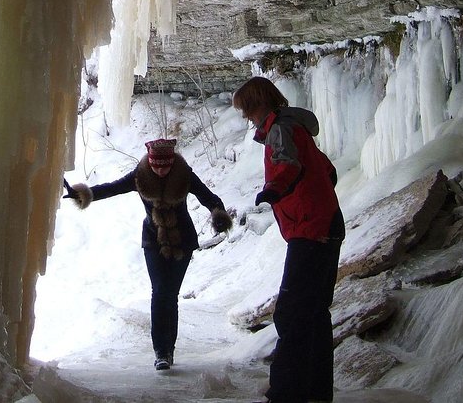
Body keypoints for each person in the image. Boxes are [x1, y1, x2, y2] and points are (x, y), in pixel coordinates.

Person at [63, 138, 232, 371]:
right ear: (150, 163)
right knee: (159, 291)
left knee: (170, 294)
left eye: (165, 166)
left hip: (182, 240)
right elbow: (113, 187)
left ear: (172, 163)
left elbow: (209, 197)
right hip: (153, 240)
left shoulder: (184, 174)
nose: (160, 170)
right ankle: (160, 352)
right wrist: (83, 193)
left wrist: (218, 214)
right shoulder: (140, 175)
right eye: (156, 166)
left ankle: (168, 350)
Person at [232, 77, 345, 403]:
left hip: (311, 230)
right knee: (314, 313)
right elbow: (329, 171)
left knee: (292, 313)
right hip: (327, 225)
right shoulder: (297, 128)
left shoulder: (280, 129)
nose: (246, 118)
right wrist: (313, 196)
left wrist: (274, 191)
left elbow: (287, 165)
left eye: (246, 110)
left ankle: (286, 393)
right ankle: (317, 391)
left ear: (258, 104)